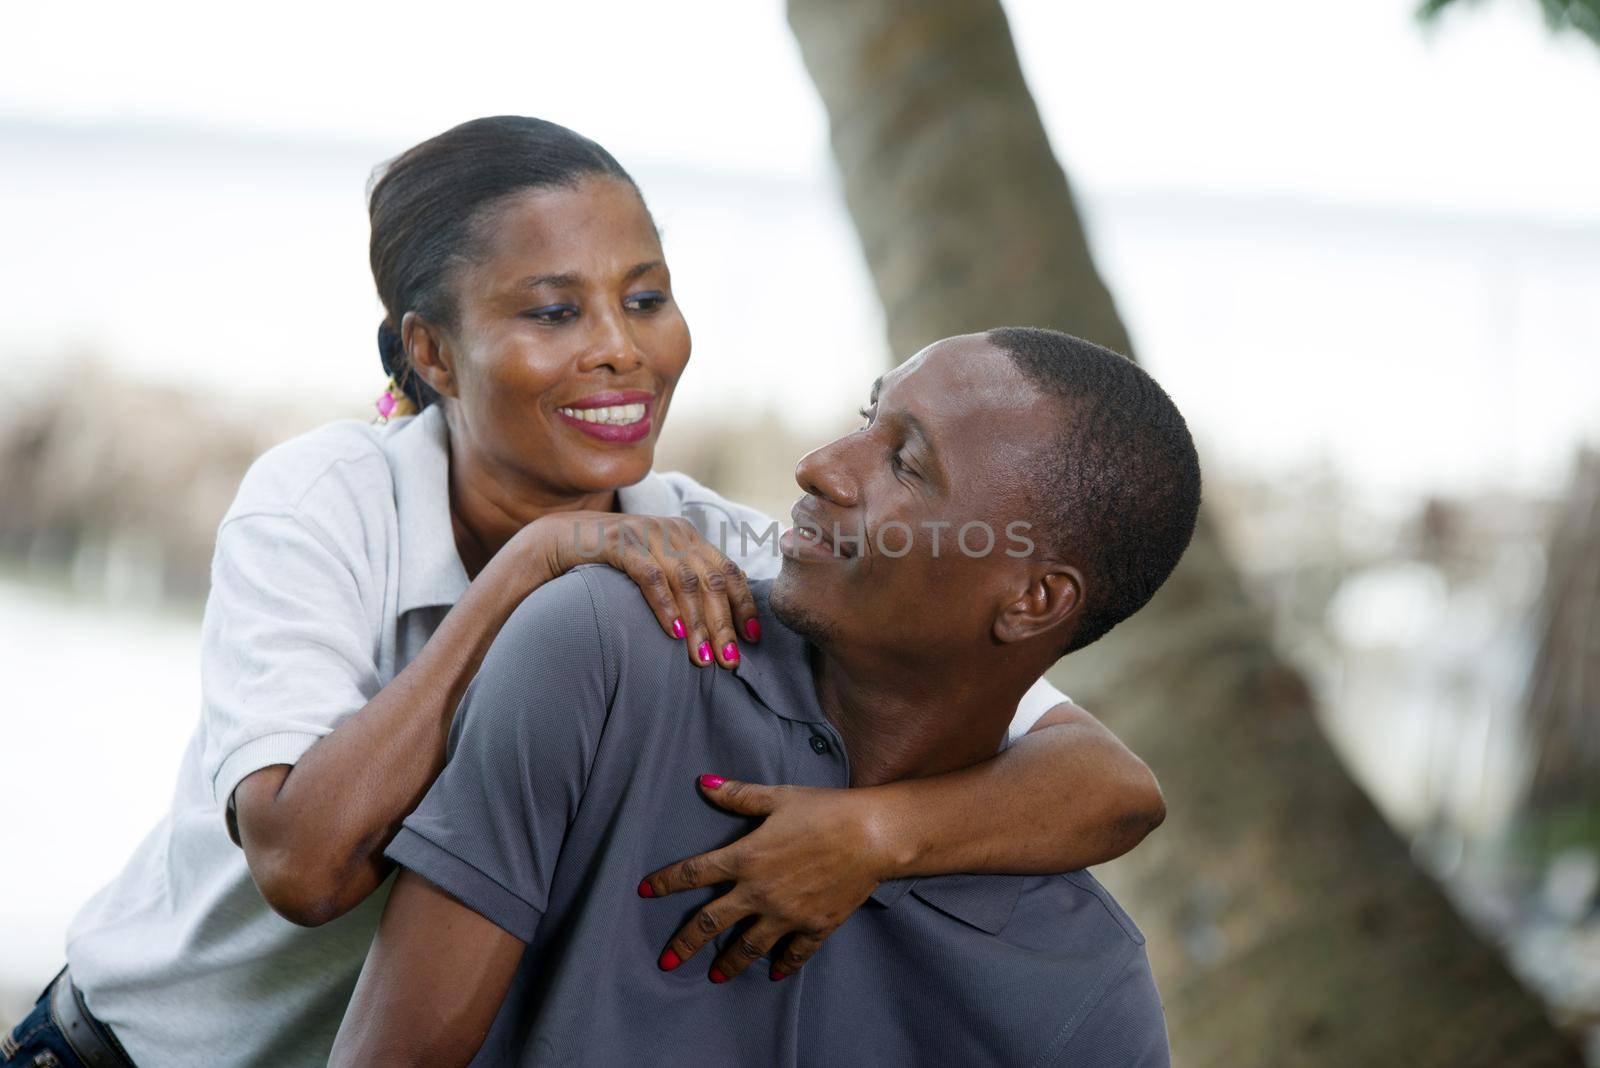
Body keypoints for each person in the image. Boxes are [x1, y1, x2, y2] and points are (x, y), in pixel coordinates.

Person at [1, 119, 1165, 1068]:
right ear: (435, 354)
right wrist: (524, 573)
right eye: (553, 312)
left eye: (646, 299)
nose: (620, 349)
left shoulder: (712, 546)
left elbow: (1106, 783)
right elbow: (303, 866)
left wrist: (870, 835)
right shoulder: (325, 502)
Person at [330, 327, 1196, 1067]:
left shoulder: (1084, 989)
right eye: (866, 420)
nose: (820, 467)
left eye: (904, 461)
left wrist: (878, 835)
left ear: (1031, 601)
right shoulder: (602, 649)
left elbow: (1123, 787)